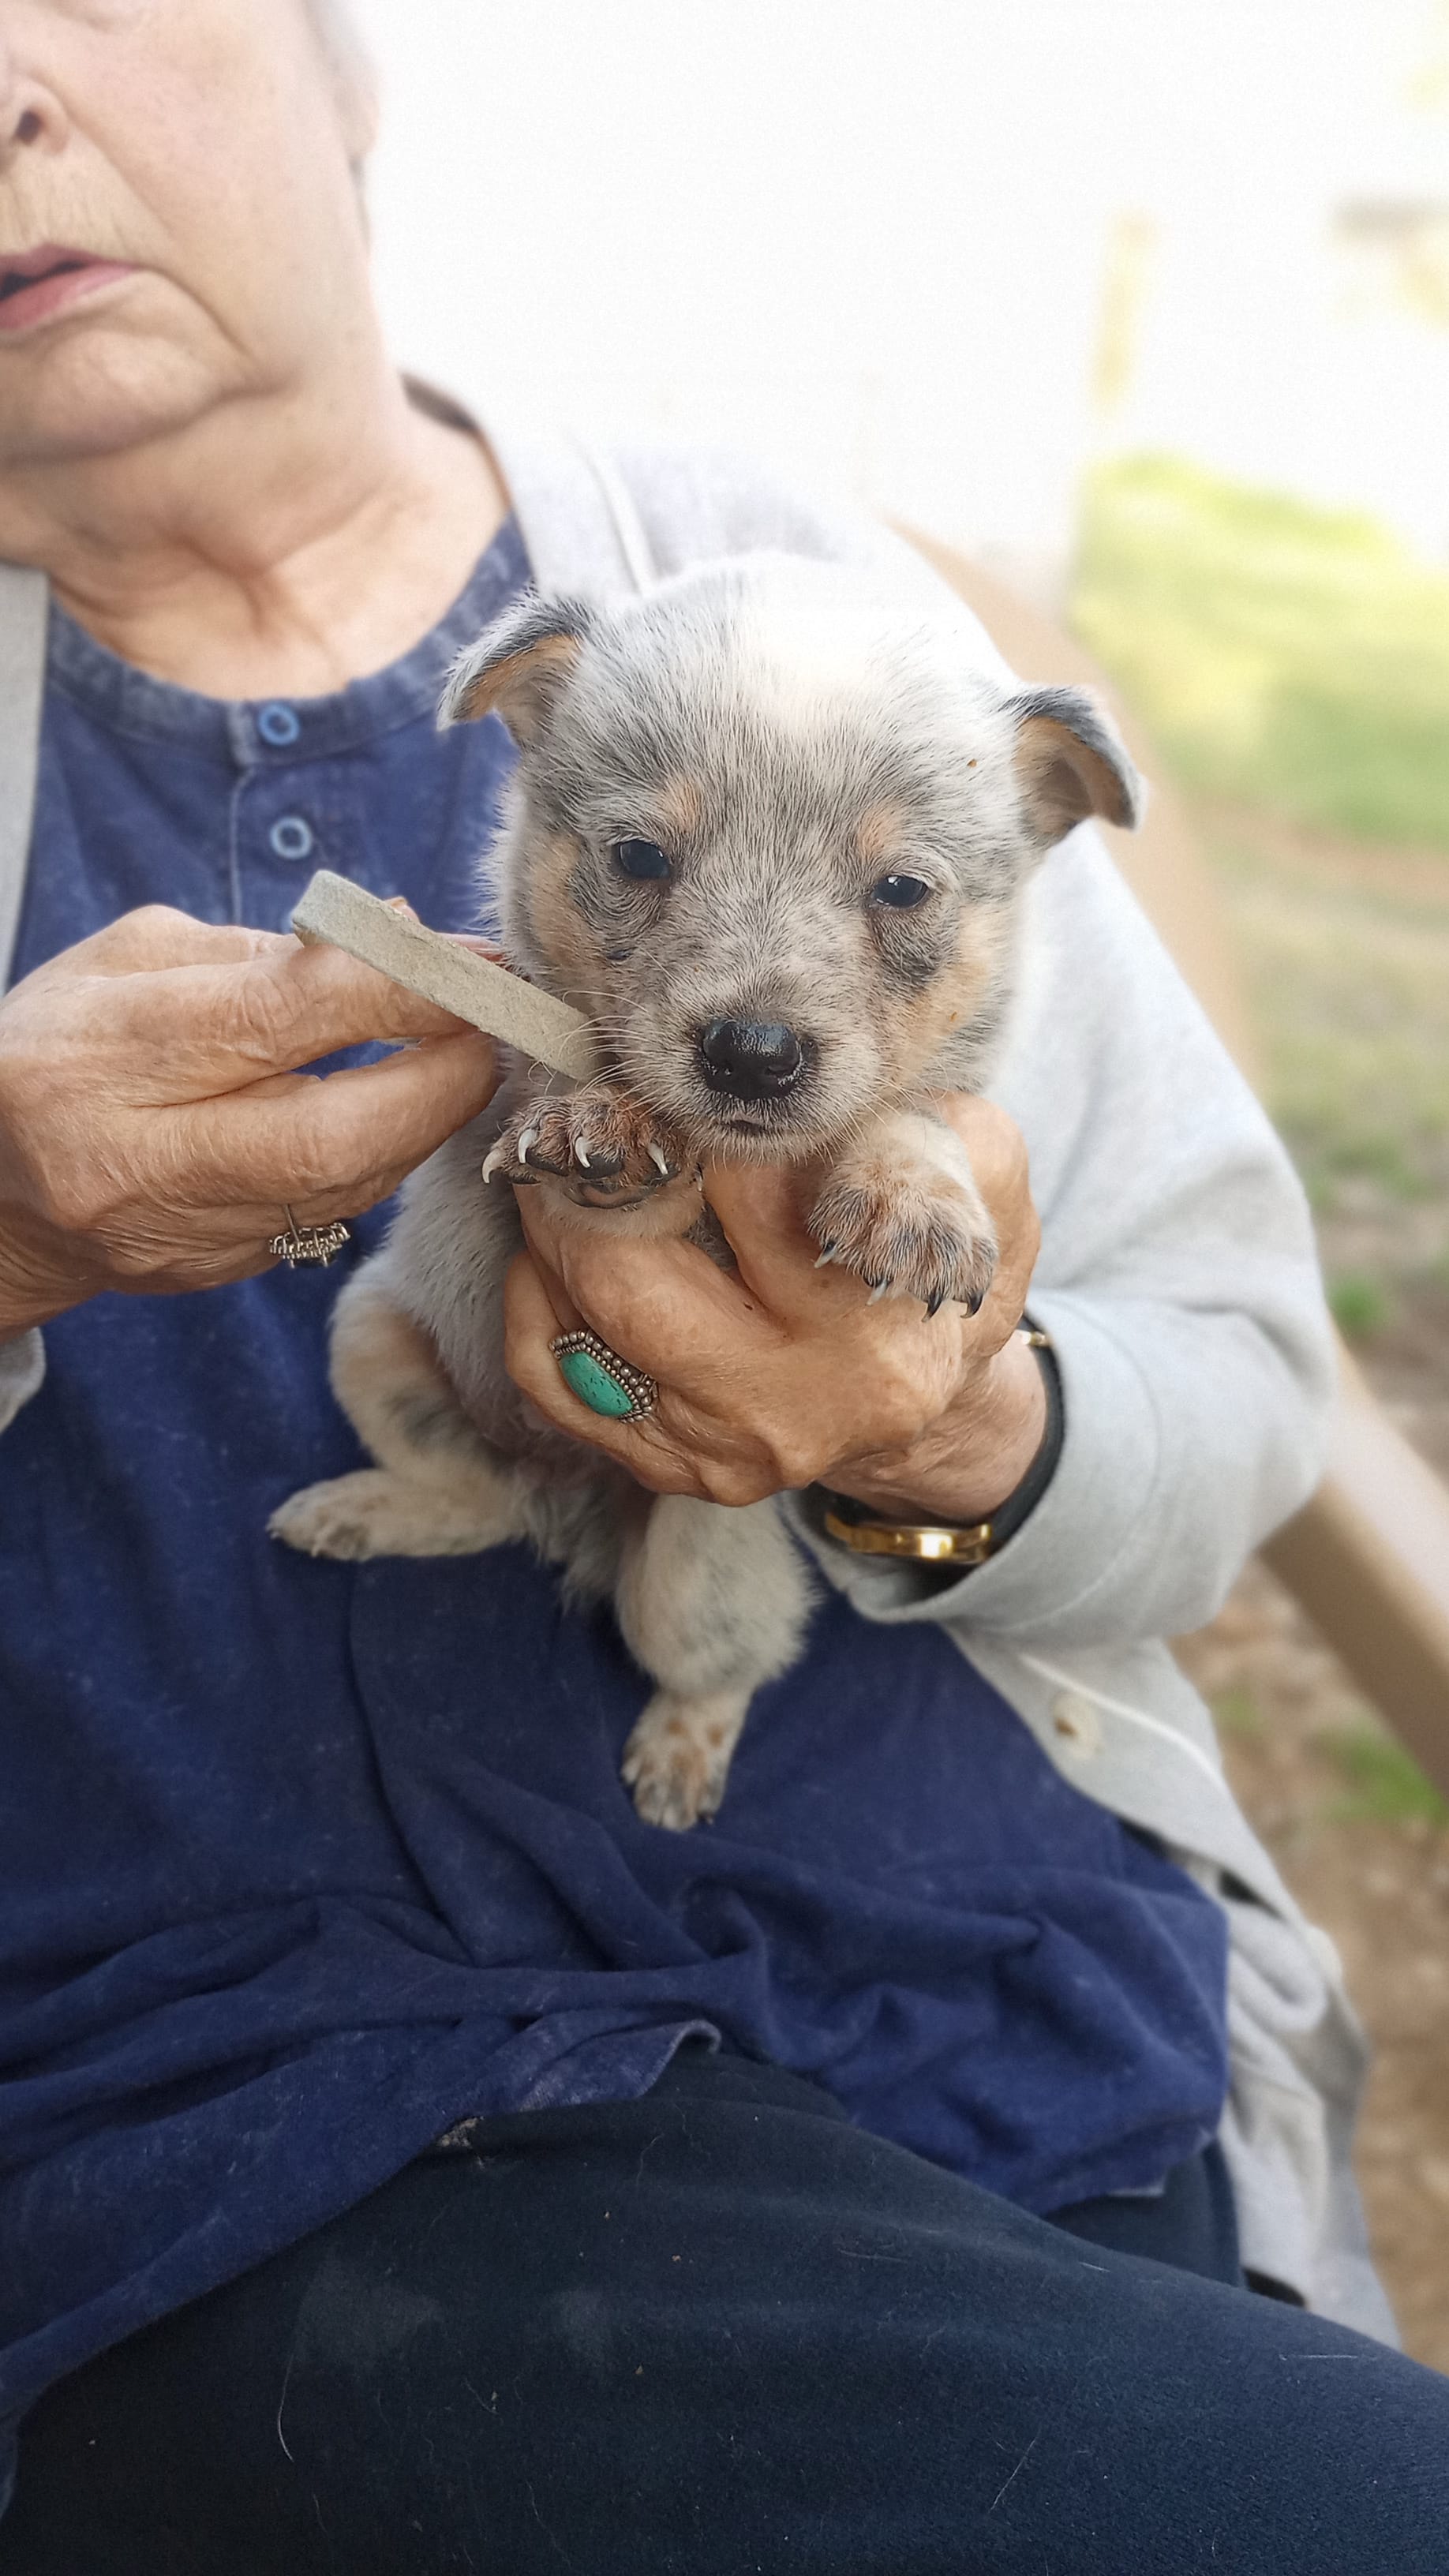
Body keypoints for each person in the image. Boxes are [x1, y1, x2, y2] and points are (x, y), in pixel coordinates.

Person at [0, 4, 1445, 2569]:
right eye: (637, 867)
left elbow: (1229, 1375)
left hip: (926, 1968)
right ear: (532, 766)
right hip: (210, 2113)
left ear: (351, 77)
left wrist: (944, 1439)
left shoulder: (839, 618)